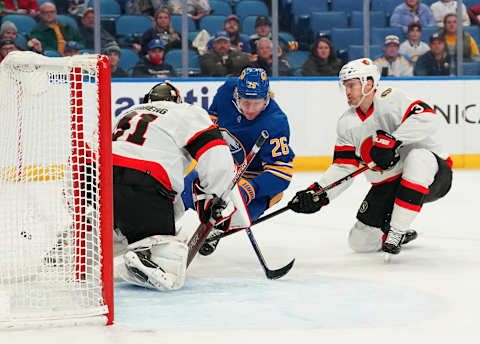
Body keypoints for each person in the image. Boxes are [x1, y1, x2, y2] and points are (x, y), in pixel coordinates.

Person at [287, 58, 452, 258]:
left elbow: (429, 118)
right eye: (345, 86)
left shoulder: (392, 99)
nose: (347, 91)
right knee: (360, 241)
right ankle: (397, 233)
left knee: (417, 157)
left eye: (351, 85)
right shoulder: (346, 124)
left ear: (369, 83)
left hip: (433, 174)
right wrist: (318, 193)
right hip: (389, 184)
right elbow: (343, 167)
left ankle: (397, 231)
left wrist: (394, 141)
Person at [113, 81, 249, 291]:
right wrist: (215, 196)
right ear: (177, 101)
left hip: (100, 184)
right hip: (143, 183)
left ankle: (83, 243)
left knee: (110, 232)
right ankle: (147, 255)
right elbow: (216, 155)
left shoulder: (126, 113)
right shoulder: (185, 111)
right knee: (171, 265)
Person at [182, 67, 295, 255]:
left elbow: (281, 175)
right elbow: (210, 122)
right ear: (236, 95)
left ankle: (216, 229)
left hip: (256, 181)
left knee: (233, 217)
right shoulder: (226, 91)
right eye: (245, 102)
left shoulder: (276, 122)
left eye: (257, 103)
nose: (250, 109)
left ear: (267, 98)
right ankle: (157, 230)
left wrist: (249, 188)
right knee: (182, 191)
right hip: (226, 167)